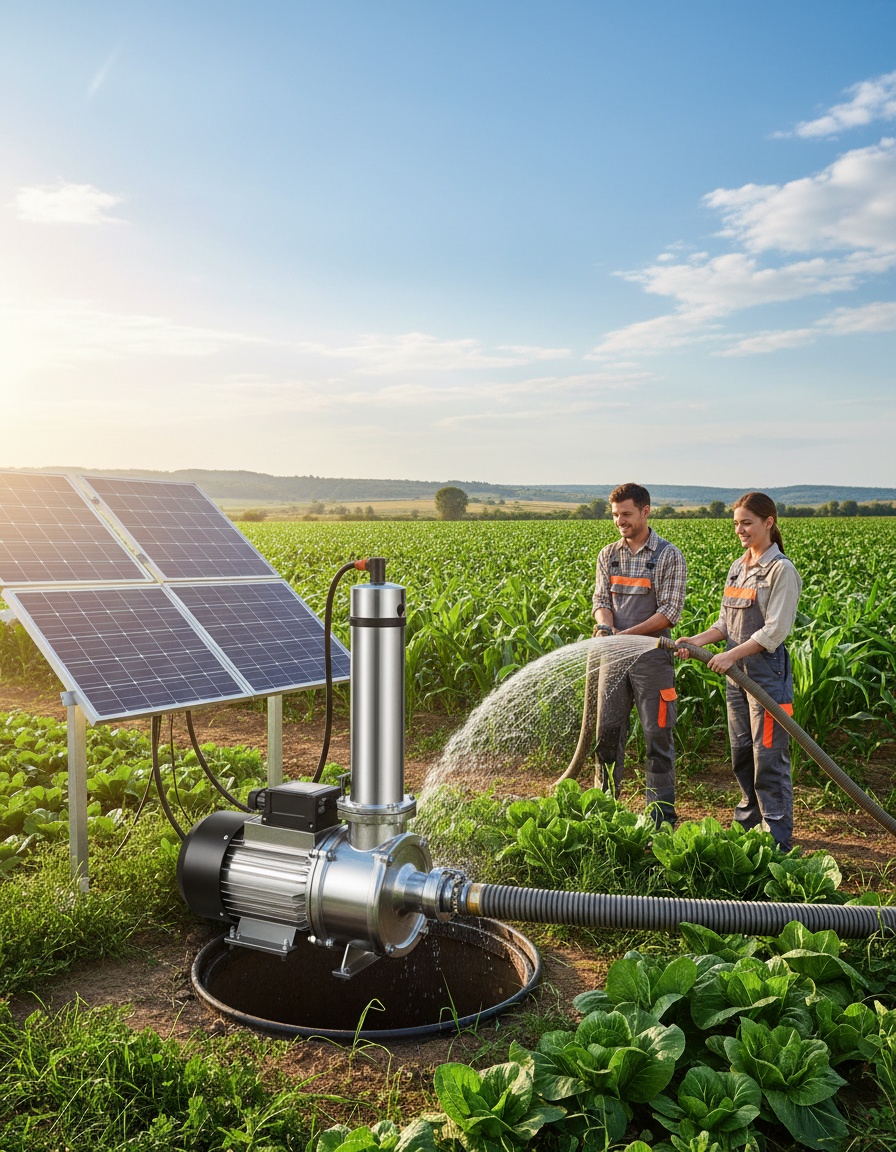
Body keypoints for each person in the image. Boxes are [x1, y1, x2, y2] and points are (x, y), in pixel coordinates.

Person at [676, 492, 802, 852]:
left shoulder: (781, 570)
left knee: (769, 755)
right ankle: (749, 824)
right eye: (736, 523)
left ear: (768, 523)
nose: (740, 530)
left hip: (766, 675)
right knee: (742, 751)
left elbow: (774, 631)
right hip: (737, 674)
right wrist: (696, 640)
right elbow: (724, 624)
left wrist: (731, 656)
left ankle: (777, 836)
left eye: (746, 522)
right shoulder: (738, 566)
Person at [592, 483, 686, 827]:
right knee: (607, 734)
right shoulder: (609, 554)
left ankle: (661, 818)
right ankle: (604, 812)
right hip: (613, 657)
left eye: (627, 514)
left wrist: (624, 637)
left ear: (646, 511)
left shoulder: (667, 555)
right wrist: (605, 627)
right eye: (615, 515)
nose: (620, 521)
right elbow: (601, 601)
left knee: (657, 735)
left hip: (653, 658)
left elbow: (669, 612)